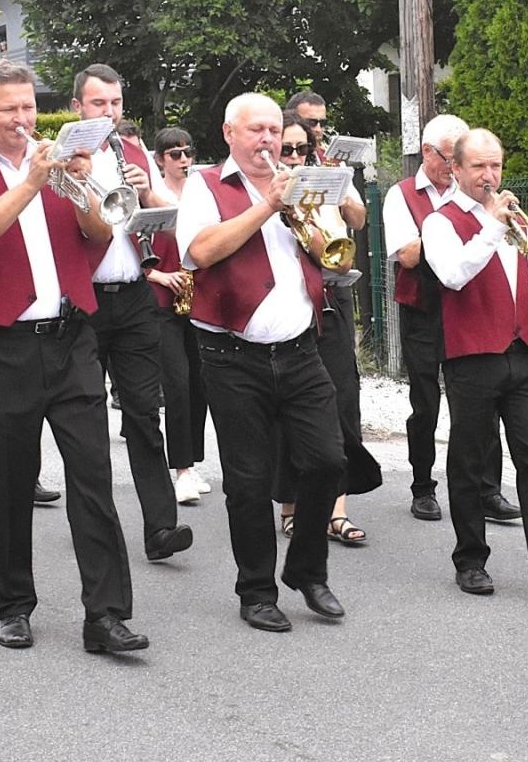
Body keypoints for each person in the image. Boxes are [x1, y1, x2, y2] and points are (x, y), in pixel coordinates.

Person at [0, 60, 148, 655]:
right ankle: (13, 603)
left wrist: (81, 181)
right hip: (0, 344)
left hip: (72, 336)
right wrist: (28, 183)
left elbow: (100, 234)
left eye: (28, 107)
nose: (22, 119)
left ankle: (105, 615)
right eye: (9, 109)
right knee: (6, 480)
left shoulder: (56, 161)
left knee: (93, 479)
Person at [175, 93, 348, 632]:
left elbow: (328, 252)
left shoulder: (299, 180)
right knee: (247, 480)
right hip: (231, 354)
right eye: (256, 130)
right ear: (230, 133)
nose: (268, 140)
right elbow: (200, 251)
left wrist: (306, 218)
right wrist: (266, 206)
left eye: (275, 130)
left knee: (326, 461)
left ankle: (308, 571)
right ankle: (256, 590)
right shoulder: (205, 186)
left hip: (299, 348)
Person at [421, 128, 528, 602]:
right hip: (472, 357)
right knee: (471, 463)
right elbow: (454, 275)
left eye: (495, 165)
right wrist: (492, 225)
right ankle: (471, 559)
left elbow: (524, 284)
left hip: (524, 354)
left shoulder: (514, 221)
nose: (490, 176)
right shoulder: (441, 221)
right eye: (478, 167)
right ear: (455, 170)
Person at [68, 64, 192, 562]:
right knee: (87, 419)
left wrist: (146, 191)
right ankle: (99, 524)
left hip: (135, 294)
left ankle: (161, 527)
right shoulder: (65, 155)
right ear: (78, 107)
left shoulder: (132, 151)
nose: (110, 113)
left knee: (144, 412)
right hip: (84, 298)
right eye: (100, 104)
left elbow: (168, 213)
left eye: (116, 103)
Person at [382, 114, 516, 522]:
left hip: (470, 309)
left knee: (481, 399)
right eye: (449, 155)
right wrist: (448, 230)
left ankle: (487, 490)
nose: (456, 163)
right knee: (425, 402)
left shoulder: (477, 199)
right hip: (423, 310)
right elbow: (406, 254)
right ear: (428, 153)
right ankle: (423, 486)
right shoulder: (401, 195)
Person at [271, 114, 381, 545]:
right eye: (288, 149)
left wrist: (341, 180)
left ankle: (337, 508)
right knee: (290, 402)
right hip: (292, 294)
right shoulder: (271, 183)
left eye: (302, 148)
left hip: (334, 291)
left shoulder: (327, 171)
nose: (296, 156)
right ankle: (291, 505)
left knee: (341, 396)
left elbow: (357, 217)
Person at [144, 126, 211, 502]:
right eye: (175, 154)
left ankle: (192, 463)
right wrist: (158, 274)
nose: (184, 160)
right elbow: (131, 243)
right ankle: (180, 469)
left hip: (196, 296)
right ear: (160, 160)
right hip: (160, 298)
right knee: (177, 381)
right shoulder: (151, 195)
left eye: (188, 152)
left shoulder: (200, 192)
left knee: (199, 381)